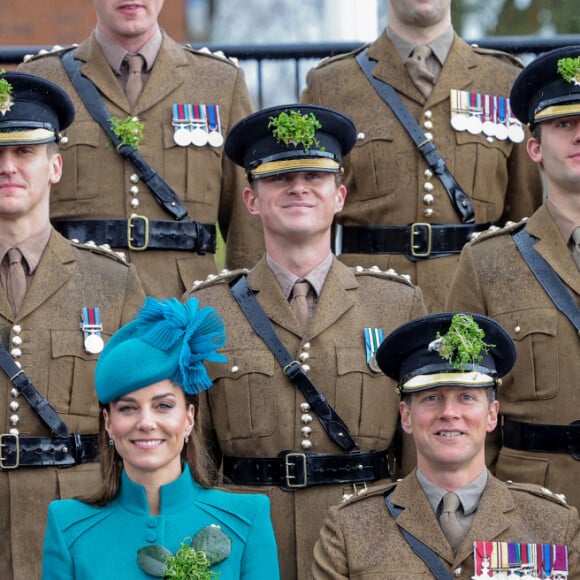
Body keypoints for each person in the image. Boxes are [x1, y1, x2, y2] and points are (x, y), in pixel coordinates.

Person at [185, 103, 427, 580]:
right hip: (246, 541)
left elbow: (416, 443)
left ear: (339, 196)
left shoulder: (395, 304)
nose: (298, 187)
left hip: (368, 541)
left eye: (314, 177)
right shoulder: (208, 310)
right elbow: (196, 449)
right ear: (251, 200)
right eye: (280, 178)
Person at [300, 0, 542, 313]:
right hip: (364, 306)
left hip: (476, 305)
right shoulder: (331, 85)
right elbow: (308, 220)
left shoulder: (503, 80)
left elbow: (525, 217)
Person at [0, 71, 146, 580]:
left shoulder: (113, 282)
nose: (7, 167)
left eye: (24, 152)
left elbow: (147, 422)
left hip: (84, 519)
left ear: (54, 165)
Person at [18, 0, 263, 299]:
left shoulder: (219, 81)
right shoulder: (44, 79)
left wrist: (247, 315)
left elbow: (247, 223)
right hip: (76, 305)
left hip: (186, 310)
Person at [312, 312, 580, 579]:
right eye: (431, 398)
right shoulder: (350, 528)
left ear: (491, 415)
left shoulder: (553, 524)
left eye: (466, 397)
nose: (449, 412)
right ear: (406, 416)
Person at [42, 296, 280, 579]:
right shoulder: (68, 524)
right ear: (108, 422)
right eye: (128, 408)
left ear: (189, 418)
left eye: (163, 406)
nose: (146, 423)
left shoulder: (247, 518)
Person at [446, 46, 580, 509]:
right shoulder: (487, 262)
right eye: (564, 124)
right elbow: (459, 403)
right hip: (527, 507)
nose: (579, 135)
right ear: (535, 147)